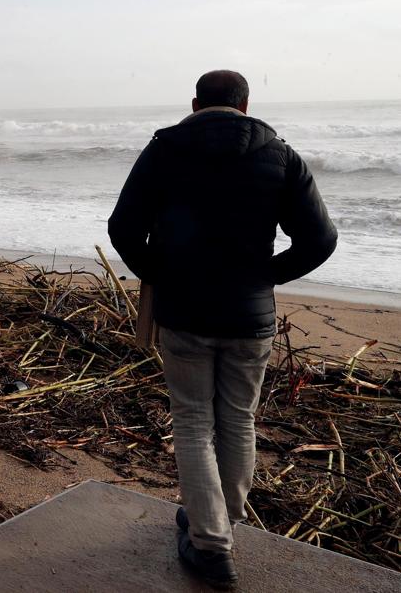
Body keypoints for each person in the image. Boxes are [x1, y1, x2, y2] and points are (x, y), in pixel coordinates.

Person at [108, 70, 336, 589]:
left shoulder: (164, 150)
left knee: (192, 420)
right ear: (246, 105)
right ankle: (219, 523)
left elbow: (122, 227)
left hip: (185, 311)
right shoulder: (279, 154)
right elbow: (320, 238)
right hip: (249, 316)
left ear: (193, 105)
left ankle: (211, 542)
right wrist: (264, 277)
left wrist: (160, 273)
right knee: (237, 418)